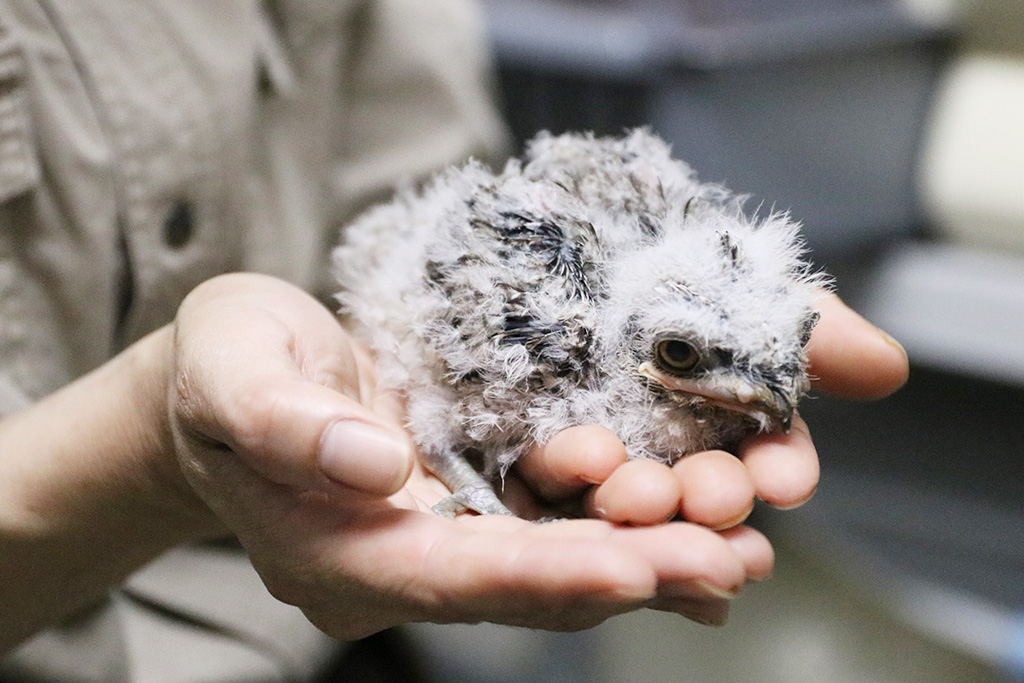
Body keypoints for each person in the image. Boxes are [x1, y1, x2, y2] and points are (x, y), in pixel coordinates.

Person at [0, 0, 909, 680]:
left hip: (322, 643)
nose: (747, 402)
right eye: (679, 357)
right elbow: (422, 281)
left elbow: (426, 171)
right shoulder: (535, 327)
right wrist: (155, 444)